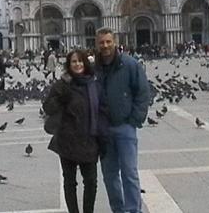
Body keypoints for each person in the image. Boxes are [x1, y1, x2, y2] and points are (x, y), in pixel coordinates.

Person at [43, 50, 108, 213]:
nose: (77, 64)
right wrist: (60, 98)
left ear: (85, 63)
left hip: (89, 139)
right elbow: (48, 108)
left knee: (91, 181)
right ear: (69, 65)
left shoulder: (94, 83)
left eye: (80, 61)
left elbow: (102, 110)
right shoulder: (62, 84)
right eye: (74, 62)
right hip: (67, 140)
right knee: (70, 182)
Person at [93, 27, 150, 213]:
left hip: (125, 127)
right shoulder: (93, 68)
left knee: (130, 173)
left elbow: (143, 92)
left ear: (115, 42)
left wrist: (135, 119)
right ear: (97, 44)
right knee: (109, 176)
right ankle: (118, 209)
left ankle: (133, 210)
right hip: (103, 130)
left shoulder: (130, 64)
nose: (105, 45)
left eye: (108, 41)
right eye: (101, 42)